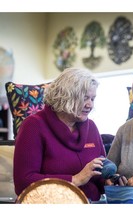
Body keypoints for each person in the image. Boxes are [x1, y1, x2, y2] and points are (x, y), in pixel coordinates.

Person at [13, 67, 106, 202]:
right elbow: (23, 182)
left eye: (92, 98)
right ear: (66, 96)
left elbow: (99, 173)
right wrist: (75, 180)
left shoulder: (91, 127)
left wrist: (110, 181)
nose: (90, 105)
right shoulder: (33, 126)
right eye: (85, 98)